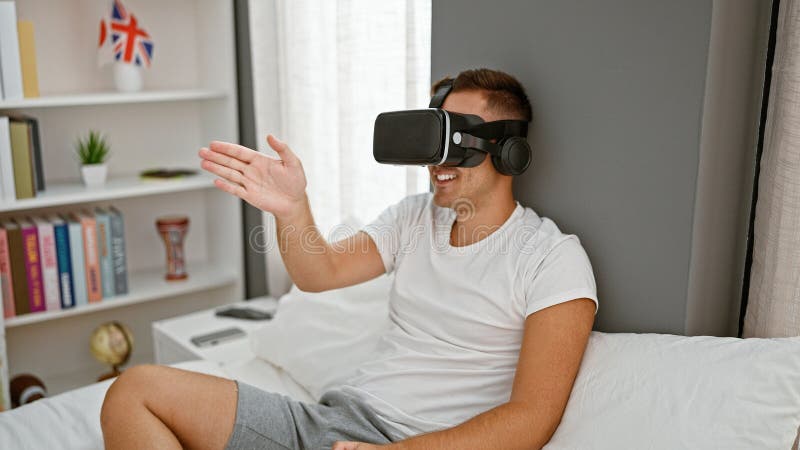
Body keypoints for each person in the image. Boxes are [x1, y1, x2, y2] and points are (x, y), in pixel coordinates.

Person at [100, 68, 598, 450]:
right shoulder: (412, 218)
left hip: (411, 444)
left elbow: (531, 419)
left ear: (509, 152)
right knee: (134, 391)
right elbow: (320, 272)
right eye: (432, 143)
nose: (437, 165)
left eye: (456, 145)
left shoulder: (551, 259)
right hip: (332, 422)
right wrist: (293, 207)